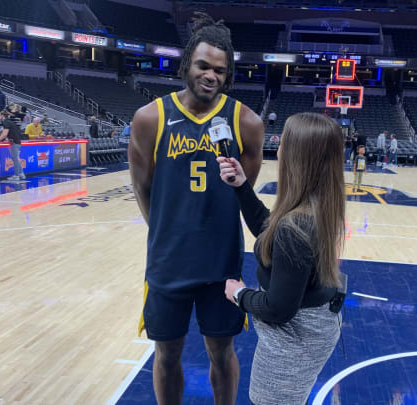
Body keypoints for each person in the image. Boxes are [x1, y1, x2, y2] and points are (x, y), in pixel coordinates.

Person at [127, 12, 264, 405]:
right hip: (168, 264)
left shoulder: (247, 122)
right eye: (204, 66)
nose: (211, 76)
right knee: (166, 354)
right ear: (187, 63)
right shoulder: (149, 118)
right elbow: (142, 186)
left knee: (221, 353)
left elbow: (245, 190)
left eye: (220, 71)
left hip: (221, 264)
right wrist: (168, 233)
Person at [218, 112, 344, 405]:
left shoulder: (296, 227)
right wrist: (241, 185)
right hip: (315, 327)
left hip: (295, 338)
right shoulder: (317, 205)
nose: (280, 146)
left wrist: (239, 294)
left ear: (297, 156)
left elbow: (278, 309)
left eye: (284, 142)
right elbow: (270, 229)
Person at [0, 110, 24, 181]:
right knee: (16, 159)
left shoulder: (6, 122)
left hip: (14, 143)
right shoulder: (10, 121)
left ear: (2, 115)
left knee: (15, 159)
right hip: (17, 142)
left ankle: (17, 176)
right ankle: (21, 174)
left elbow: (4, 134)